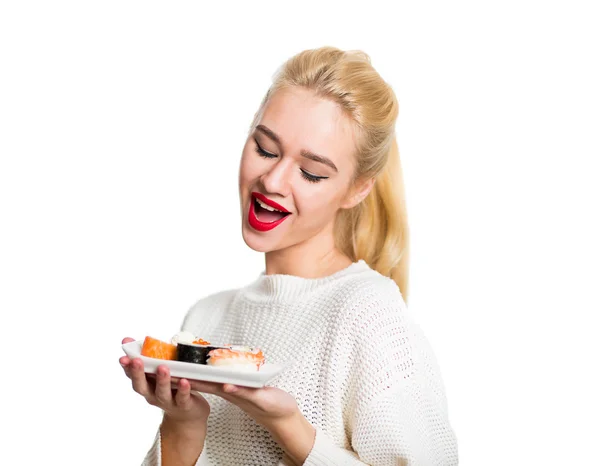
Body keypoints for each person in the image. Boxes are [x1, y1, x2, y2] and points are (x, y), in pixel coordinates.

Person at [119, 46, 458, 466]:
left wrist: (290, 426)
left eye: (311, 172)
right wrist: (183, 423)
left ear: (358, 189)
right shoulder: (206, 317)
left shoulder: (369, 314)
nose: (273, 180)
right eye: (265, 148)